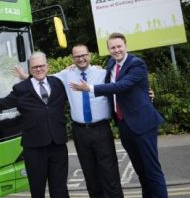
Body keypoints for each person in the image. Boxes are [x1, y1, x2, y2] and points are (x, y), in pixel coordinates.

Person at [14, 44, 123, 198]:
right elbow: (41, 78)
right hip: (80, 132)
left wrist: (147, 93)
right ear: (72, 59)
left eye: (84, 55)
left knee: (110, 174)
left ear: (90, 56)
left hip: (101, 130)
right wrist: (25, 76)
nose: (81, 59)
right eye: (77, 56)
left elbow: (122, 86)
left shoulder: (102, 73)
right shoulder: (66, 75)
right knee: (90, 175)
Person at [70, 32, 168, 198]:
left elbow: (122, 86)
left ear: (126, 46)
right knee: (141, 171)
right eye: (112, 47)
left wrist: (90, 88)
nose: (116, 50)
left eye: (119, 46)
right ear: (108, 50)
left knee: (152, 171)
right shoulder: (111, 65)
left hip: (142, 124)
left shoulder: (137, 64)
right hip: (124, 125)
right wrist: (72, 67)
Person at [0, 52, 70, 198]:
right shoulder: (21, 89)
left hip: (58, 145)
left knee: (60, 188)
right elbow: (3, 103)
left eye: (41, 66)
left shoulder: (57, 83)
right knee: (37, 189)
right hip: (34, 148)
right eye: (35, 67)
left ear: (47, 67)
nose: (39, 69)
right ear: (30, 69)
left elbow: (76, 87)